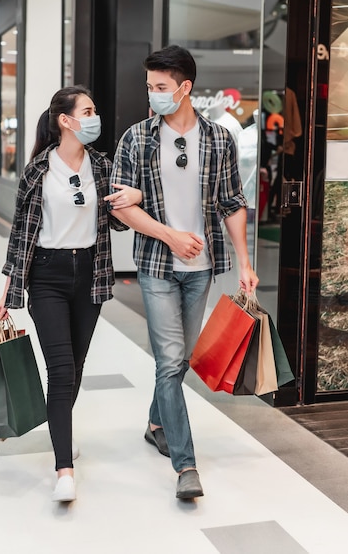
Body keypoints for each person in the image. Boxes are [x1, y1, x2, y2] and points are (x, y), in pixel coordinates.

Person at [105, 45, 259, 500]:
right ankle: (185, 466)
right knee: (171, 361)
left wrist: (245, 263)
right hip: (156, 266)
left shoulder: (218, 139)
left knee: (179, 360)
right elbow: (121, 209)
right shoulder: (136, 138)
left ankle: (157, 423)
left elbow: (232, 203)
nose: (153, 95)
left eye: (161, 88)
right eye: (150, 87)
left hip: (202, 268)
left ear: (185, 87)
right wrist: (170, 236)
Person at [0, 85, 142, 503]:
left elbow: (119, 223)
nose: (95, 118)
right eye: (88, 111)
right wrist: (7, 290)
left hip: (89, 275)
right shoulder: (38, 170)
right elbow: (21, 236)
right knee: (60, 369)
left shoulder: (103, 166)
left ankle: (62, 432)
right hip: (47, 277)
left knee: (73, 366)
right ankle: (64, 468)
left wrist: (133, 197)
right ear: (66, 120)